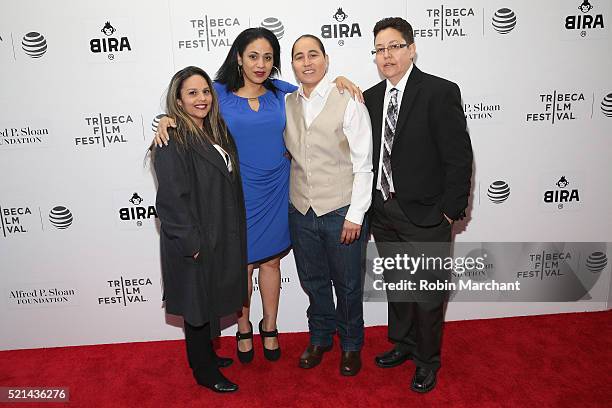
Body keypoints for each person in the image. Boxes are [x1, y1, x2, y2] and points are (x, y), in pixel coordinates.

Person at [154, 28, 362, 363]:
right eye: (253, 56)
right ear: (238, 57)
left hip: (278, 189)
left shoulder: (282, 92)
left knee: (271, 261)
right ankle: (244, 327)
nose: (260, 64)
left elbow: (316, 91)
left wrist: (342, 81)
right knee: (242, 263)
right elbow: (190, 104)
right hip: (233, 193)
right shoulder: (217, 92)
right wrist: (166, 119)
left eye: (268, 57)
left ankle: (270, 326)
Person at [363, 18, 473, 393]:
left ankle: (428, 361)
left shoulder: (439, 91)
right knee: (399, 287)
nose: (386, 55)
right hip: (384, 212)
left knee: (428, 293)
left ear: (411, 49)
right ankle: (405, 346)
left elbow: (459, 157)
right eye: (379, 49)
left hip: (427, 214)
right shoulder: (372, 97)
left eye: (394, 46)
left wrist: (450, 209)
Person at [152, 66, 247, 393]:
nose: (202, 98)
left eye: (205, 91)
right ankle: (205, 372)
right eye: (192, 93)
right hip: (193, 239)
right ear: (178, 99)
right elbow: (171, 199)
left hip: (218, 233)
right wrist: (192, 244)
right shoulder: (172, 138)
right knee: (196, 305)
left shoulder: (216, 130)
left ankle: (204, 355)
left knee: (208, 301)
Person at [285, 35, 372, 376]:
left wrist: (356, 215)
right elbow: (242, 87)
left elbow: (364, 165)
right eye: (298, 57)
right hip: (301, 210)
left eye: (313, 55)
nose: (306, 62)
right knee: (313, 281)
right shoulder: (286, 100)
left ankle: (351, 345)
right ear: (291, 65)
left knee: (348, 285)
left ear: (326, 59)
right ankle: (321, 337)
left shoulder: (348, 98)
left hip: (341, 212)